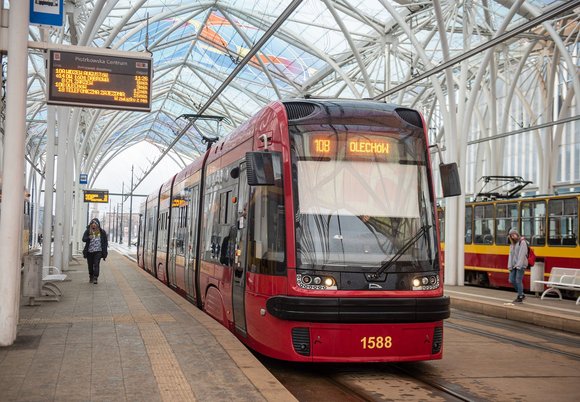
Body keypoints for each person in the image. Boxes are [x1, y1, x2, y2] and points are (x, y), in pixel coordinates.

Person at [82, 218, 108, 284]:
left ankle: (95, 277)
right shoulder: (88, 231)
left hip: (98, 251)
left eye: (95, 224)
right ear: (90, 225)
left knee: (96, 264)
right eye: (92, 224)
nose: (94, 225)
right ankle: (91, 276)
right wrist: (88, 238)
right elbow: (83, 239)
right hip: (89, 252)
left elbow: (105, 242)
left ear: (98, 225)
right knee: (90, 265)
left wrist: (105, 252)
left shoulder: (102, 232)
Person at [507, 228, 528, 303]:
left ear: (517, 234)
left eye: (514, 234)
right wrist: (510, 266)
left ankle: (520, 296)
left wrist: (519, 265)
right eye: (511, 235)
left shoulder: (522, 242)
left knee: (518, 280)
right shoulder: (512, 244)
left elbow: (522, 254)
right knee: (511, 280)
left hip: (521, 265)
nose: (513, 236)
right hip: (513, 265)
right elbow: (510, 255)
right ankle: (521, 293)